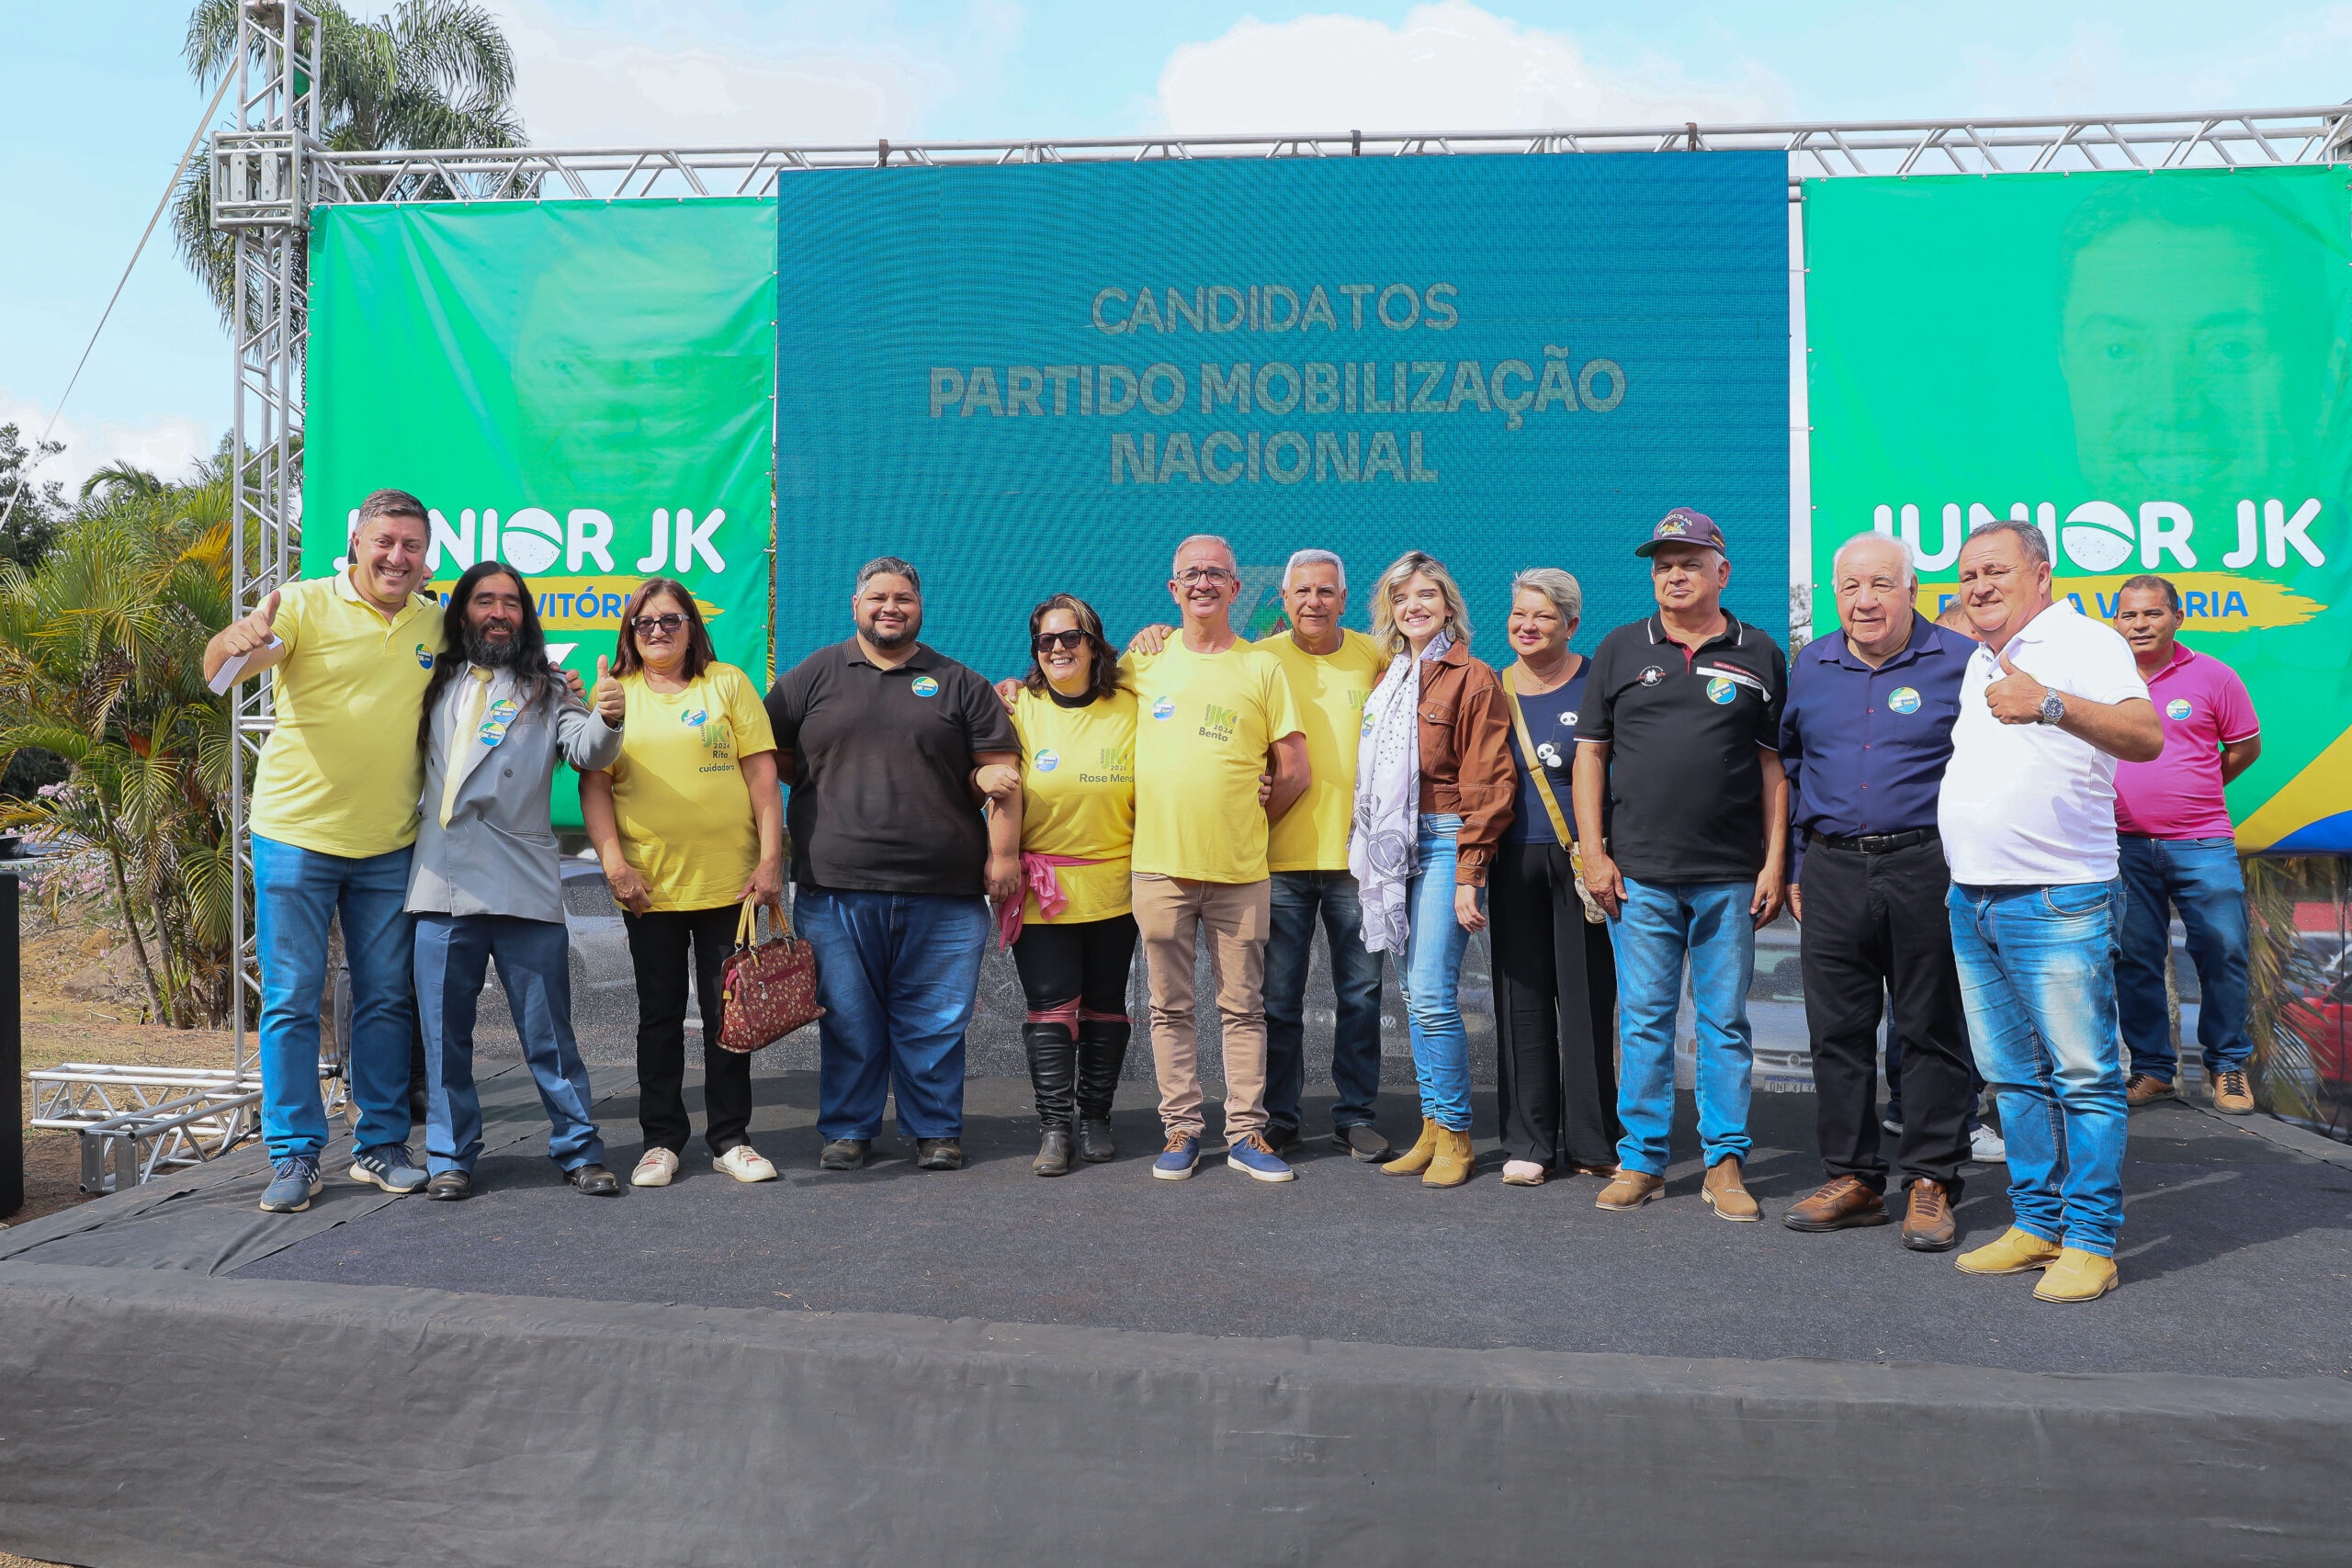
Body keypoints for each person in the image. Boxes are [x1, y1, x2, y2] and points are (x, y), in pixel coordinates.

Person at [203, 489, 443, 1213]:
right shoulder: (303, 605)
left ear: (425, 555)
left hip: (389, 842)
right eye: (384, 541)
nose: (397, 556)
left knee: (385, 998)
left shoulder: (435, 621)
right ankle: (295, 1155)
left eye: (411, 545)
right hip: (296, 836)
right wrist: (234, 639)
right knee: (292, 998)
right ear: (357, 543)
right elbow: (219, 674)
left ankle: (381, 1145)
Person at [1941, 520, 2162, 1303]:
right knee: (2011, 1076)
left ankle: (2093, 1242)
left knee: (2085, 1075)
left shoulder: (2083, 640)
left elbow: (2146, 735)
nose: (1979, 586)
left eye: (1995, 570)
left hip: (2057, 895)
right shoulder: (1981, 657)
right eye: (1968, 574)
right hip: (1973, 895)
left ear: (2041, 574)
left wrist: (2051, 703)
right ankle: (2037, 1222)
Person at [1127, 548, 1391, 1161]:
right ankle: (1278, 1120)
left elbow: (1428, 682)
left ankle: (1352, 1116)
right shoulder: (1248, 656)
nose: (1313, 601)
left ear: (1344, 600)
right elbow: (1085, 690)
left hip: (1353, 859)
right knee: (1274, 1002)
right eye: (1302, 591)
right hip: (1275, 861)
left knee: (1359, 997)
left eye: (1325, 591)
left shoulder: (1372, 656)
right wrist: (1016, 688)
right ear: (1283, 599)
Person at [763, 557, 1021, 1173]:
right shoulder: (813, 676)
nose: (891, 607)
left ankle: (935, 1129)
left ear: (920, 607)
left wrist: (1003, 855)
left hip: (945, 890)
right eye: (878, 597)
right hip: (835, 886)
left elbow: (1003, 773)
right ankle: (849, 1129)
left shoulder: (959, 682)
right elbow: (767, 755)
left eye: (903, 597)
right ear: (855, 605)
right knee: (848, 1019)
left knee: (936, 1021)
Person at [1575, 509, 1788, 1221]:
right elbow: (1590, 757)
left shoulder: (1759, 650)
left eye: (1690, 562)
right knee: (1644, 1021)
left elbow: (1774, 767)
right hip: (1637, 875)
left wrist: (1774, 862)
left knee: (1724, 1021)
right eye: (1663, 564)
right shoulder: (1618, 648)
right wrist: (1595, 853)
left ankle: (1724, 1162)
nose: (1674, 574)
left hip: (1730, 874)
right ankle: (1642, 1159)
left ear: (1722, 571)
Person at [1778, 534, 1977, 1250]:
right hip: (1831, 868)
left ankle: (1931, 1179)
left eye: (1881, 585)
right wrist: (1797, 861)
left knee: (1930, 1026)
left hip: (1928, 865)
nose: (1864, 601)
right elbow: (1793, 764)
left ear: (1911, 590)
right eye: (1850, 587)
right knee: (1837, 1029)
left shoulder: (1962, 661)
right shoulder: (1812, 663)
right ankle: (1854, 1179)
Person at [408, 561, 627, 1201]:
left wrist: (609, 717)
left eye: (511, 602)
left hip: (522, 882)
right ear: (463, 612)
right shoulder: (427, 678)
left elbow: (587, 748)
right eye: (486, 600)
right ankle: (450, 1157)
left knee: (548, 1034)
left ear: (524, 616)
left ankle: (580, 1149)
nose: (499, 612)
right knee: (443, 1037)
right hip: (440, 881)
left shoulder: (549, 686)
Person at [579, 578, 786, 1190]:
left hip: (731, 885)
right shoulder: (615, 694)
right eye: (645, 622)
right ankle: (661, 1141)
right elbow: (594, 785)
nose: (658, 631)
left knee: (728, 1016)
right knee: (660, 1017)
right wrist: (615, 866)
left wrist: (771, 860)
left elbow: (763, 778)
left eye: (671, 619)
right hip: (650, 888)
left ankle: (731, 1139)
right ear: (630, 633)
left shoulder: (728, 683)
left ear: (692, 627)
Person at [1123, 536, 1308, 1183]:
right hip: (1159, 867)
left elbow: (1294, 770)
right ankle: (1180, 1128)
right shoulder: (1141, 661)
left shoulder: (1263, 666)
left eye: (1215, 573)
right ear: (1173, 589)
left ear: (1235, 587)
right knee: (1169, 1007)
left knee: (1244, 1008)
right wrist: (1014, 687)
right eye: (1191, 573)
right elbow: (1071, 694)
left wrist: (1247, 820)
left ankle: (1247, 1133)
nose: (1203, 582)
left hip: (1240, 871)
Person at [1354, 552, 1513, 1188]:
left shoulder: (1473, 677)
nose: (1412, 606)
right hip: (1392, 849)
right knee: (1413, 998)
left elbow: (1489, 783)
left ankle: (1456, 1135)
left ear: (1448, 605)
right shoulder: (1388, 678)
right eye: (1401, 598)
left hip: (1447, 841)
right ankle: (1429, 1127)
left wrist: (1472, 870)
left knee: (1430, 993)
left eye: (1425, 595)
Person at [996, 593, 1140, 1175]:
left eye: (1071, 637)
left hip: (1117, 885)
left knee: (1105, 1008)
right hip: (1042, 887)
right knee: (1051, 1011)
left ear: (1093, 644)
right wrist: (1000, 858)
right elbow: (994, 785)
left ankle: (1096, 1118)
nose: (1058, 648)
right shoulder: (1017, 706)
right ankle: (1055, 1127)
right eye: (1046, 640)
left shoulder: (1131, 702)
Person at [2110, 574, 2262, 1114]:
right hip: (2122, 845)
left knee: (2224, 949)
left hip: (2202, 842)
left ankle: (2228, 1066)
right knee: (2135, 958)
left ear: (2177, 617)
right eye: (2128, 615)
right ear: (2115, 621)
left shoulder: (2214, 675)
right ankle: (2153, 1070)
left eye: (2152, 613)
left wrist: (2196, 788)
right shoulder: (2102, 677)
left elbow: (2245, 747)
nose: (2139, 625)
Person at [1488, 568, 1620, 1186]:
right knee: (1523, 1001)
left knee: (1588, 998)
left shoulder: (1599, 682)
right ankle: (1529, 1141)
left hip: (1583, 862)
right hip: (1511, 860)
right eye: (1519, 613)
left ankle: (1593, 1140)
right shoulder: (1491, 687)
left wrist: (1606, 855)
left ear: (1571, 624)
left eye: (1543, 616)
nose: (1528, 625)